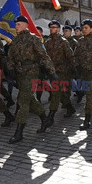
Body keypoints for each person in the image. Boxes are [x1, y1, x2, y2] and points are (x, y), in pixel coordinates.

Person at [7, 16, 57, 144]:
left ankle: (19, 131)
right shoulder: (16, 40)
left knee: (23, 100)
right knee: (29, 99)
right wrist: (10, 69)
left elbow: (43, 56)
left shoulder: (33, 39)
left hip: (31, 72)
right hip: (20, 73)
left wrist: (52, 72)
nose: (16, 26)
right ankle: (44, 118)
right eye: (16, 24)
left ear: (25, 25)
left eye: (18, 24)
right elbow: (10, 57)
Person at [43, 20, 77, 127]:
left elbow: (71, 57)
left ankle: (51, 116)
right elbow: (45, 57)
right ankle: (70, 108)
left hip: (63, 71)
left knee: (55, 93)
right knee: (60, 93)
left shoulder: (63, 42)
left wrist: (74, 69)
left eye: (54, 27)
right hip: (52, 72)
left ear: (58, 29)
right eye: (50, 27)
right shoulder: (47, 42)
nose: (52, 29)